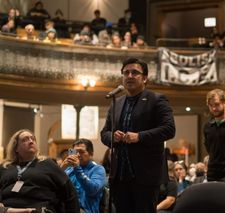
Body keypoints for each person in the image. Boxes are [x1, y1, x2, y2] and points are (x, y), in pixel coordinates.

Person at [100, 57, 176, 213]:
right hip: (120, 176)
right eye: (126, 72)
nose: (129, 76)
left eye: (134, 72)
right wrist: (113, 137)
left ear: (145, 78)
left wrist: (139, 136)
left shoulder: (157, 100)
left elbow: (169, 129)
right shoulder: (116, 102)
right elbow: (104, 133)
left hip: (146, 176)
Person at [0, 129, 79, 212]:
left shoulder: (47, 164)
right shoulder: (5, 167)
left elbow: (70, 193)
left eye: (33, 139)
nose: (31, 141)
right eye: (25, 140)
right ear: (15, 147)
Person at [61, 138, 106, 213]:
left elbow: (92, 190)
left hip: (85, 210)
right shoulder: (69, 169)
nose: (78, 155)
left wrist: (77, 168)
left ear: (91, 154)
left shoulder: (98, 169)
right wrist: (61, 169)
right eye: (75, 152)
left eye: (81, 152)